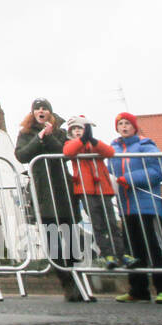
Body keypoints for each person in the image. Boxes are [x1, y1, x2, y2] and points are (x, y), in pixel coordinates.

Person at [15, 98, 84, 300]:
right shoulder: (25, 133)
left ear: (49, 112)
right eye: (37, 108)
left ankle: (77, 280)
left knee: (71, 238)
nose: (41, 111)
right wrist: (39, 138)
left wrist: (50, 135)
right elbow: (22, 155)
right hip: (42, 192)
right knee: (53, 239)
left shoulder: (60, 131)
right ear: (33, 113)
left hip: (62, 189)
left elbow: (64, 153)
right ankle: (67, 284)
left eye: (44, 108)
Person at [107, 112, 162, 303]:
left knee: (154, 247)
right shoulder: (114, 149)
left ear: (134, 126)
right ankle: (138, 289)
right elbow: (111, 172)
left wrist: (128, 179)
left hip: (147, 205)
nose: (124, 126)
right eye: (120, 123)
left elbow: (157, 170)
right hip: (126, 206)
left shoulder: (146, 145)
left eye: (127, 123)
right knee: (132, 251)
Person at [62, 115, 122, 268]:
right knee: (97, 224)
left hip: (104, 189)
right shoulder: (72, 144)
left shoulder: (95, 145)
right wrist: (82, 140)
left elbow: (109, 152)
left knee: (111, 222)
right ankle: (107, 253)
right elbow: (68, 151)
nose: (77, 131)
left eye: (80, 128)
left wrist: (92, 140)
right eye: (74, 129)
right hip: (86, 190)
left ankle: (121, 253)